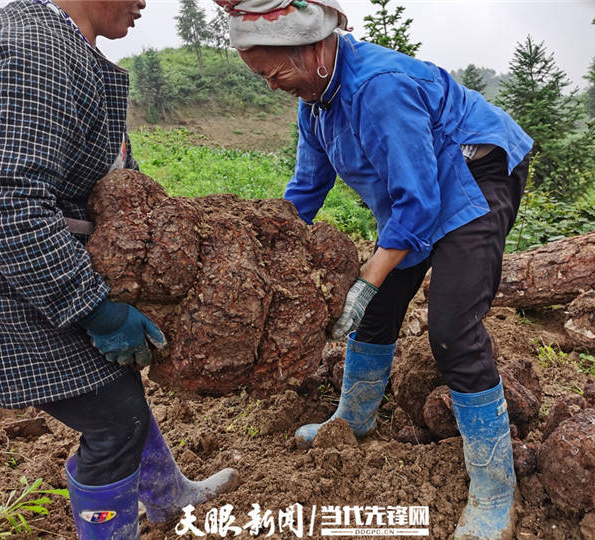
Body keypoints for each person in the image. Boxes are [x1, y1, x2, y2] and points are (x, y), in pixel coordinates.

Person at [217, 1, 533, 539]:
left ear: (316, 49)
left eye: (276, 72)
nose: (272, 86)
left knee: (451, 327)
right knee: (375, 308)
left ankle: (495, 490)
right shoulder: (315, 101)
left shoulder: (378, 87)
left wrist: (368, 276)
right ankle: (354, 418)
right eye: (262, 77)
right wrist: (268, 245)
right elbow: (306, 191)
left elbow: (420, 199)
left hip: (474, 173)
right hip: (414, 187)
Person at [0, 1, 237, 538]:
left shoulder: (56, 41)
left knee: (114, 381)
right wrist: (91, 308)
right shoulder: (39, 52)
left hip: (7, 253)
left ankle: (170, 497)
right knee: (112, 417)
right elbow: (12, 202)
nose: (146, 2)